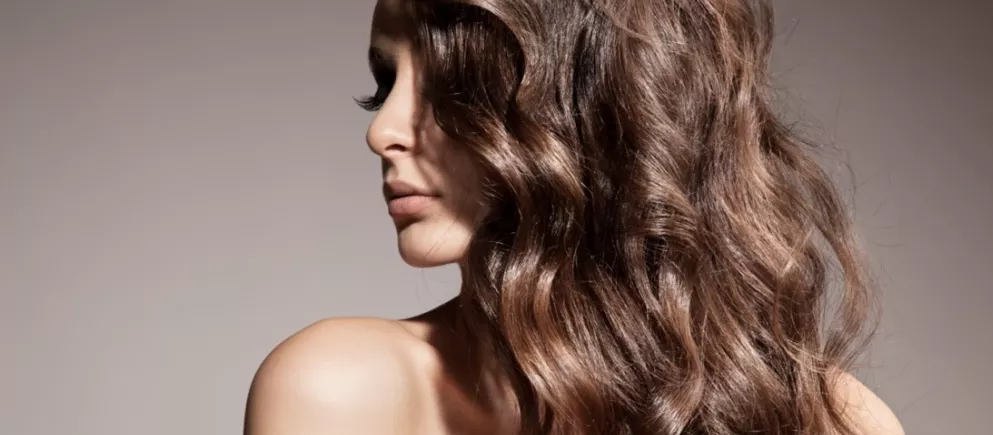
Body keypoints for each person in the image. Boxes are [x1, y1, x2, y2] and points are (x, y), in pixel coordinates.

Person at [243, 0, 904, 433]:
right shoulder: (342, 391)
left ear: (596, 99)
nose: (383, 130)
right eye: (385, 83)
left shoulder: (829, 419)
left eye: (451, 81)